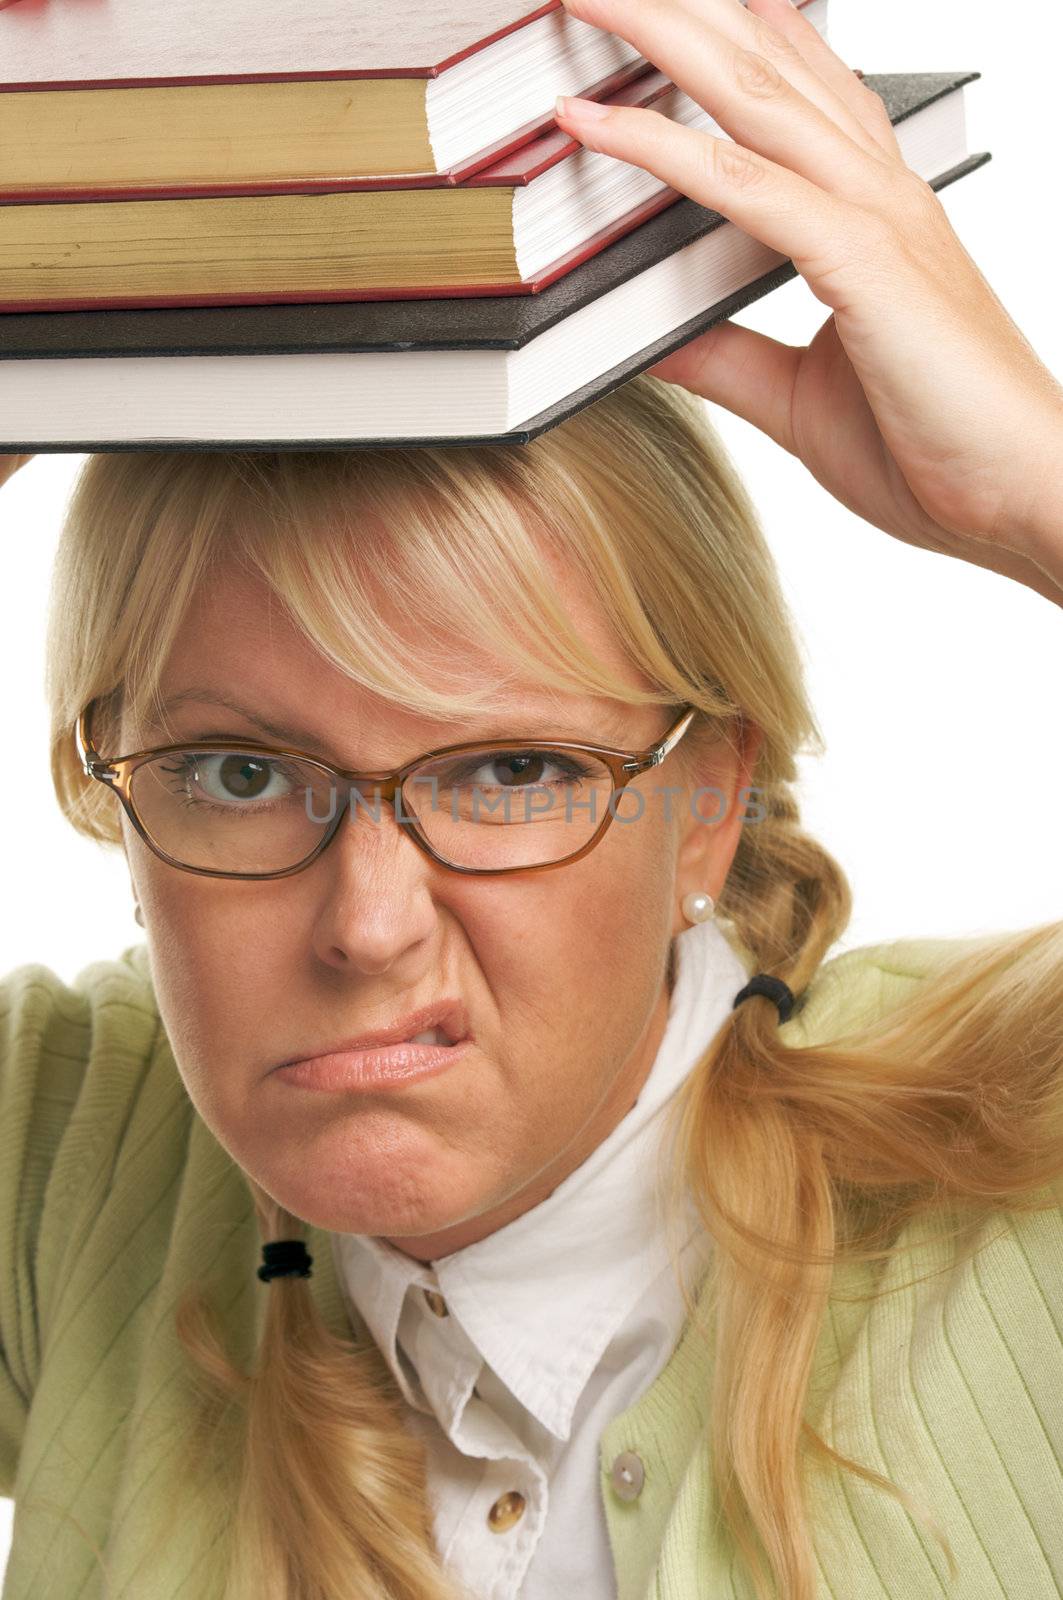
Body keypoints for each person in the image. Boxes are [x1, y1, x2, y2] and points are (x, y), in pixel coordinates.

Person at [1, 1, 1061, 1597]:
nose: (366, 926)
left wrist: (1038, 492)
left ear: (709, 802)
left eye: (511, 772)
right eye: (240, 774)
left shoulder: (1018, 1166)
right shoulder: (72, 1167)